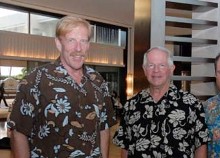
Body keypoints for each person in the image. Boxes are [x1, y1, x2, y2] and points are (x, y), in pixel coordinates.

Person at [7, 15, 116, 158]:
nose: (78, 48)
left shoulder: (98, 81)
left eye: (83, 41)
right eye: (71, 40)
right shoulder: (35, 80)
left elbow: (104, 128)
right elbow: (18, 132)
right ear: (59, 43)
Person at [113, 46, 209, 158]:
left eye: (162, 65)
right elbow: (125, 147)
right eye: (151, 65)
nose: (156, 70)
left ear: (171, 69)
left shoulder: (191, 104)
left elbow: (200, 146)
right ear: (144, 70)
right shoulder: (131, 105)